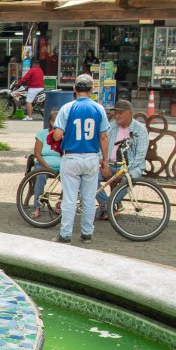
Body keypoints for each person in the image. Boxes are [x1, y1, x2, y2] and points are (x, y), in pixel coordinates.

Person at [50, 74, 109, 244]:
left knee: (69, 198)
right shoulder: (99, 109)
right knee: (89, 198)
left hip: (71, 157)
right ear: (91, 90)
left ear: (74, 89)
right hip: (91, 157)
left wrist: (56, 135)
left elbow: (57, 135)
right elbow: (103, 136)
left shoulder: (67, 108)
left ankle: (65, 234)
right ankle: (87, 234)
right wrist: (104, 159)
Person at [96, 99, 148, 220]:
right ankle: (108, 207)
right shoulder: (110, 127)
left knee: (129, 178)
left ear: (129, 113)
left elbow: (140, 155)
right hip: (108, 164)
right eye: (116, 113)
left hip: (131, 167)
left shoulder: (140, 130)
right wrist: (104, 164)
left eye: (120, 113)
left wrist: (123, 170)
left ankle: (106, 207)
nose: (117, 116)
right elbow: (99, 148)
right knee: (89, 177)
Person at [30, 108, 62, 219]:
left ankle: (60, 203)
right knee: (40, 176)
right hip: (43, 164)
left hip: (61, 165)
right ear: (50, 122)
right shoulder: (42, 134)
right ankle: (37, 206)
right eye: (54, 121)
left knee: (70, 178)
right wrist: (47, 167)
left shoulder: (64, 135)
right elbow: (37, 154)